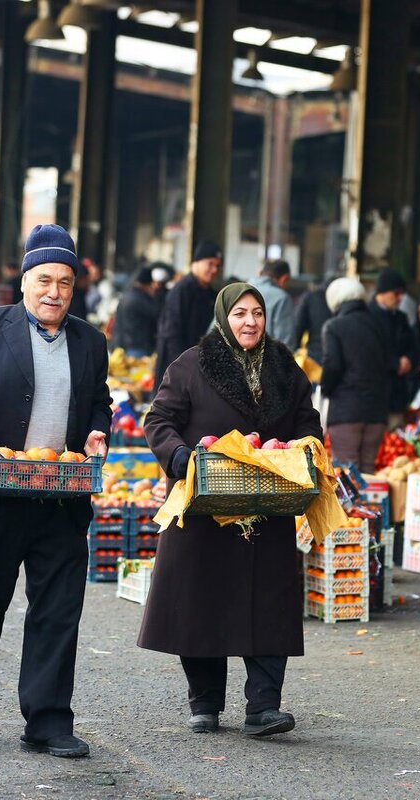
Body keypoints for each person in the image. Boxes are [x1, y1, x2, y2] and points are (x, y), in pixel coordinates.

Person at [0, 224, 111, 758]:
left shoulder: (90, 341)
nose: (54, 292)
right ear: (24, 282)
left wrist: (98, 429)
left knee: (58, 610)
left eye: (64, 283)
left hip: (59, 494)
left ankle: (50, 720)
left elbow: (99, 401)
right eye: (44, 280)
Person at [140, 282, 322, 738]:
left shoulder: (284, 366)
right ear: (225, 317)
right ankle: (205, 702)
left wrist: (302, 447)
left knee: (268, 603)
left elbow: (307, 420)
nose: (250, 322)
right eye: (240, 313)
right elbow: (159, 421)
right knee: (202, 601)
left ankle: (264, 707)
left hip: (268, 501)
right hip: (206, 503)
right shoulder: (192, 363)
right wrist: (182, 459)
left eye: (257, 313)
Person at [320, 277, 392, 473]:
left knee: (346, 471)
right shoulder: (380, 326)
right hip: (377, 411)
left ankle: (350, 506)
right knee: (368, 471)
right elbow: (390, 364)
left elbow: (332, 366)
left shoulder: (334, 326)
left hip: (346, 411)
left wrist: (325, 389)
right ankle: (367, 505)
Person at [153, 241, 222, 393]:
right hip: (178, 369)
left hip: (199, 367)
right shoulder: (181, 290)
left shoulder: (210, 293)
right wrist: (182, 367)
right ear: (196, 261)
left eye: (217, 265)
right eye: (210, 264)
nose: (214, 270)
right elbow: (172, 333)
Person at [368, 269, 415, 429]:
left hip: (397, 396)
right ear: (382, 292)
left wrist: (408, 360)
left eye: (402, 293)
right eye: (396, 293)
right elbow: (369, 352)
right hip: (375, 396)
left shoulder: (401, 318)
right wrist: (395, 363)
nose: (400, 298)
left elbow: (412, 345)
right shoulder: (366, 317)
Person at [112, 267, 160, 357]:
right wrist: (154, 296)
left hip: (122, 345)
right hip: (137, 347)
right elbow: (156, 314)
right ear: (147, 284)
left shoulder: (126, 296)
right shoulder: (142, 299)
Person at [249, 259, 295, 345]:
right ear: (284, 279)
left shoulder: (236, 292)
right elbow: (285, 342)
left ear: (260, 273)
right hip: (266, 357)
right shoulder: (281, 298)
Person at [292, 277, 333, 364]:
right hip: (342, 359)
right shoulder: (345, 300)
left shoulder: (310, 297)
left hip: (315, 356)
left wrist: (294, 349)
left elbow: (298, 325)